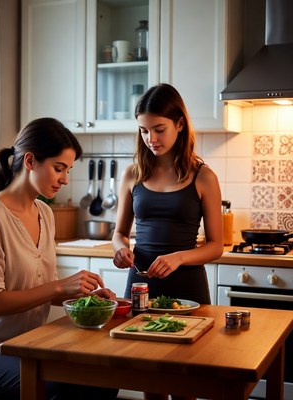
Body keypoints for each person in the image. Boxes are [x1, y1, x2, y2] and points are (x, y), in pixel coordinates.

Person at [0, 117, 119, 400]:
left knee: (104, 374)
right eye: (58, 168)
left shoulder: (45, 213)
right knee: (62, 387)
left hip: (26, 346)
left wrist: (87, 296)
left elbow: (41, 289)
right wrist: (61, 287)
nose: (65, 179)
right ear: (30, 161)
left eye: (68, 169)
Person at [112, 83, 223, 400]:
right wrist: (120, 248)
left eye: (159, 129)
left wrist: (178, 258)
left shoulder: (203, 176)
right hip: (142, 285)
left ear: (180, 124)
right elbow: (119, 232)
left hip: (188, 286)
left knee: (185, 382)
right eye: (144, 131)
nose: (152, 139)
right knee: (151, 381)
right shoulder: (133, 173)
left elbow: (217, 245)